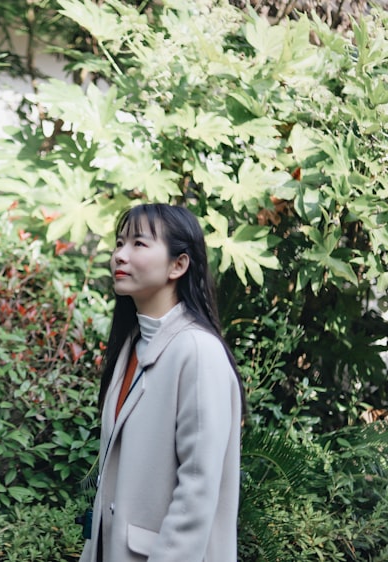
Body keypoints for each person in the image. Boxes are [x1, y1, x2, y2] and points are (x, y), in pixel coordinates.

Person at [79, 203, 243, 562]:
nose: (120, 255)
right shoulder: (132, 347)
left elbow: (197, 491)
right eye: (119, 243)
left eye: (138, 244)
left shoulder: (197, 351)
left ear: (178, 265)